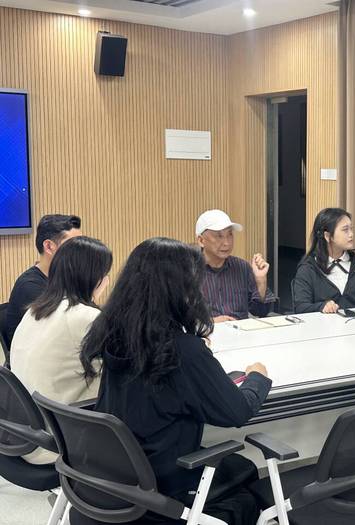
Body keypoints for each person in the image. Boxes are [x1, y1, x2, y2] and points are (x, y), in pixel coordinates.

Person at [79, 237, 271, 525]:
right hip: (167, 482)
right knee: (245, 477)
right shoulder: (183, 351)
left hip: (119, 474)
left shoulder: (114, 333)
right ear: (179, 289)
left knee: (238, 470)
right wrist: (257, 377)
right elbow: (237, 412)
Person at [10, 236, 112, 465]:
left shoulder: (35, 310)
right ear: (96, 278)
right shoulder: (86, 317)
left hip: (24, 437)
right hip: (59, 443)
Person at [5, 214, 82, 345]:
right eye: (74, 245)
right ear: (49, 246)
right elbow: (64, 328)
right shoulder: (29, 286)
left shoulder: (66, 278)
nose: (82, 251)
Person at [292, 207, 355, 314]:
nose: (351, 234)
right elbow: (301, 307)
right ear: (327, 236)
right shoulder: (308, 268)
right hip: (322, 324)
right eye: (345, 230)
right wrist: (321, 307)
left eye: (351, 229)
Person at [196, 209, 275, 322]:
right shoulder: (188, 271)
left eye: (230, 235)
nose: (227, 243)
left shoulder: (242, 267)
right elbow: (179, 316)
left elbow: (260, 311)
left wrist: (260, 280)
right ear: (201, 240)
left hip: (240, 330)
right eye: (219, 236)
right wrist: (210, 322)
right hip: (205, 332)